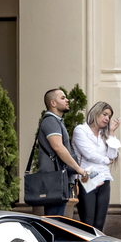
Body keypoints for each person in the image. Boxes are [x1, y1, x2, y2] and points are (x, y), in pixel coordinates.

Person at [34, 89, 88, 217]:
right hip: (54, 180)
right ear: (53, 103)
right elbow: (58, 147)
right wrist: (78, 169)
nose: (67, 100)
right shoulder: (51, 121)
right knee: (54, 222)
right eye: (63, 98)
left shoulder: (56, 121)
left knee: (56, 221)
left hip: (57, 179)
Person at [71, 101, 120, 231]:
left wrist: (111, 133)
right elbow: (88, 154)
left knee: (99, 223)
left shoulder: (104, 135)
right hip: (87, 178)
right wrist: (106, 160)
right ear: (96, 113)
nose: (107, 119)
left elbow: (113, 155)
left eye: (109, 116)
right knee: (87, 222)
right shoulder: (81, 130)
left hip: (104, 179)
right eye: (104, 114)